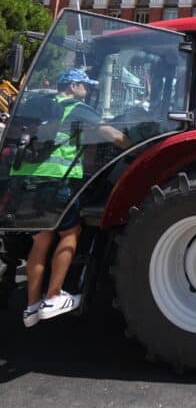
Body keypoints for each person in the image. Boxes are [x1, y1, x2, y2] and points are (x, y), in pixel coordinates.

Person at [18, 68, 130, 327]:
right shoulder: (76, 107)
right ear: (72, 86)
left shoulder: (39, 104)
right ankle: (54, 296)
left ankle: (32, 306)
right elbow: (112, 135)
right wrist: (139, 148)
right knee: (70, 233)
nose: (88, 90)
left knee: (41, 239)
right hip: (56, 180)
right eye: (84, 86)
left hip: (26, 181)